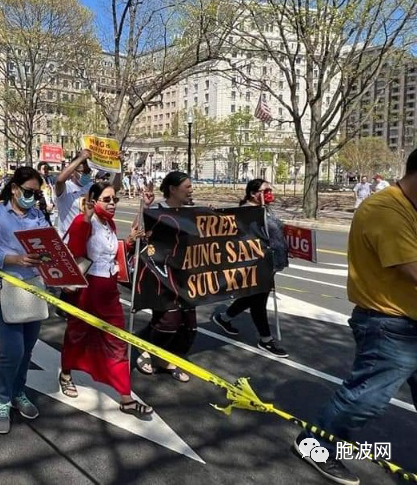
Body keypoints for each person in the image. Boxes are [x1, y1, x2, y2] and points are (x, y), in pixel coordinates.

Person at [293, 148, 417, 485]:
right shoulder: (386, 210)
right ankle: (315, 443)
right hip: (391, 324)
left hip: (409, 319)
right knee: (367, 397)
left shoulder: (409, 207)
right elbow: (412, 270)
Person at [59, 181, 152, 417]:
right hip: (87, 291)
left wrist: (130, 239)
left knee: (117, 342)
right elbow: (77, 252)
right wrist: (85, 219)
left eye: (115, 199)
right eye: (107, 199)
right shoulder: (83, 222)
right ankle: (66, 373)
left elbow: (113, 254)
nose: (113, 204)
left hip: (109, 290)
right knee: (77, 334)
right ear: (93, 201)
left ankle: (125, 398)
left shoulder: (110, 224)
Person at [0, 166, 49, 435]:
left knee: (27, 349)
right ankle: (2, 399)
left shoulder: (38, 215)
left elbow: (46, 247)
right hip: (0, 289)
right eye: (29, 192)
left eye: (37, 193)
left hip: (31, 289)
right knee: (12, 350)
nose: (32, 197)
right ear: (15, 188)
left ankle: (19, 392)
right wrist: (15, 259)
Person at [211, 179, 289, 357]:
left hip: (272, 262)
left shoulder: (265, 209)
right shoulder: (245, 213)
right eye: (265, 190)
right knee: (258, 302)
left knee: (251, 297)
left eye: (270, 189)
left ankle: (224, 318)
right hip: (256, 265)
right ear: (253, 193)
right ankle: (266, 340)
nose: (269, 192)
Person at [135, 171, 196, 382]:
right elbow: (139, 234)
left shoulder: (193, 213)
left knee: (188, 322)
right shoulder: (157, 211)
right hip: (161, 277)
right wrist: (144, 207)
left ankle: (168, 357)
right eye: (187, 186)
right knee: (168, 319)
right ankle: (150, 352)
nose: (191, 190)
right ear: (172, 189)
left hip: (186, 278)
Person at [54, 149, 92, 236]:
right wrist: (81, 158)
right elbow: (59, 180)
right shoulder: (66, 187)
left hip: (86, 240)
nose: (86, 175)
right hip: (68, 240)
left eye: (88, 172)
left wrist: (118, 166)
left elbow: (115, 187)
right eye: (82, 172)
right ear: (73, 172)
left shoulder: (91, 186)